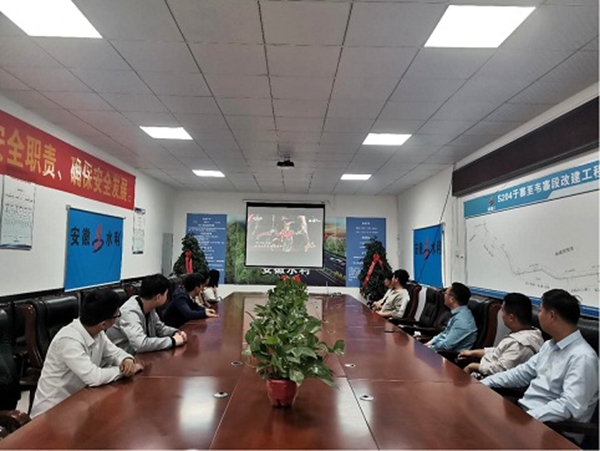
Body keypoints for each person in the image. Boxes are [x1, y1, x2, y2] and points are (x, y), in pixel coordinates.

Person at [482, 289, 598, 423]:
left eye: (541, 310)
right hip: (527, 412)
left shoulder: (583, 357)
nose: (538, 315)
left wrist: (526, 419)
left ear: (552, 316)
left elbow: (569, 407)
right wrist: (485, 383)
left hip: (550, 427)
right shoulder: (550, 345)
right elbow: (522, 373)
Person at [31, 289, 143, 417]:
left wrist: (126, 360)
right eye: (117, 314)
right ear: (104, 324)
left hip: (79, 403)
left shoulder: (96, 331)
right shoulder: (69, 340)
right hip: (52, 412)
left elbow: (115, 353)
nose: (119, 316)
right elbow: (94, 377)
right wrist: (123, 371)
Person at [458, 292, 543, 377]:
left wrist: (472, 366)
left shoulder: (521, 345)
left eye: (503, 311)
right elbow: (499, 351)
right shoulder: (527, 333)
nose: (502, 315)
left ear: (511, 318)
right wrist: (472, 353)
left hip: (488, 379)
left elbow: (499, 370)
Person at [107, 274, 187, 354]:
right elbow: (140, 344)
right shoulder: (129, 312)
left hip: (142, 355)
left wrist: (175, 332)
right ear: (158, 297)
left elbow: (159, 328)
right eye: (166, 294)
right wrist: (173, 341)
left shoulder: (149, 306)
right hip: (124, 358)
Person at [425, 282, 477, 352]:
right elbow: (445, 333)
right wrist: (431, 342)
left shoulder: (462, 320)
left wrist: (429, 348)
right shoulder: (458, 314)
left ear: (452, 299)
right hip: (439, 350)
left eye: (445, 293)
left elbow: (446, 346)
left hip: (448, 356)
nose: (443, 296)